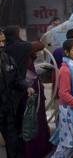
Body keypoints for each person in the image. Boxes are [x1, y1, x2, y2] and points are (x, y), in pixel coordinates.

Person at [0, 28, 34, 158]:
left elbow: (17, 79)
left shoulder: (7, 59)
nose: (2, 45)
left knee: (13, 144)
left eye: (3, 41)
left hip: (7, 110)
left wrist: (26, 86)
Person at [23, 40, 53, 158]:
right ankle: (37, 151)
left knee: (38, 123)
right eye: (37, 51)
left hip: (36, 97)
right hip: (32, 98)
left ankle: (42, 148)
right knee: (34, 124)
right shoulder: (26, 60)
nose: (39, 54)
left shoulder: (29, 59)